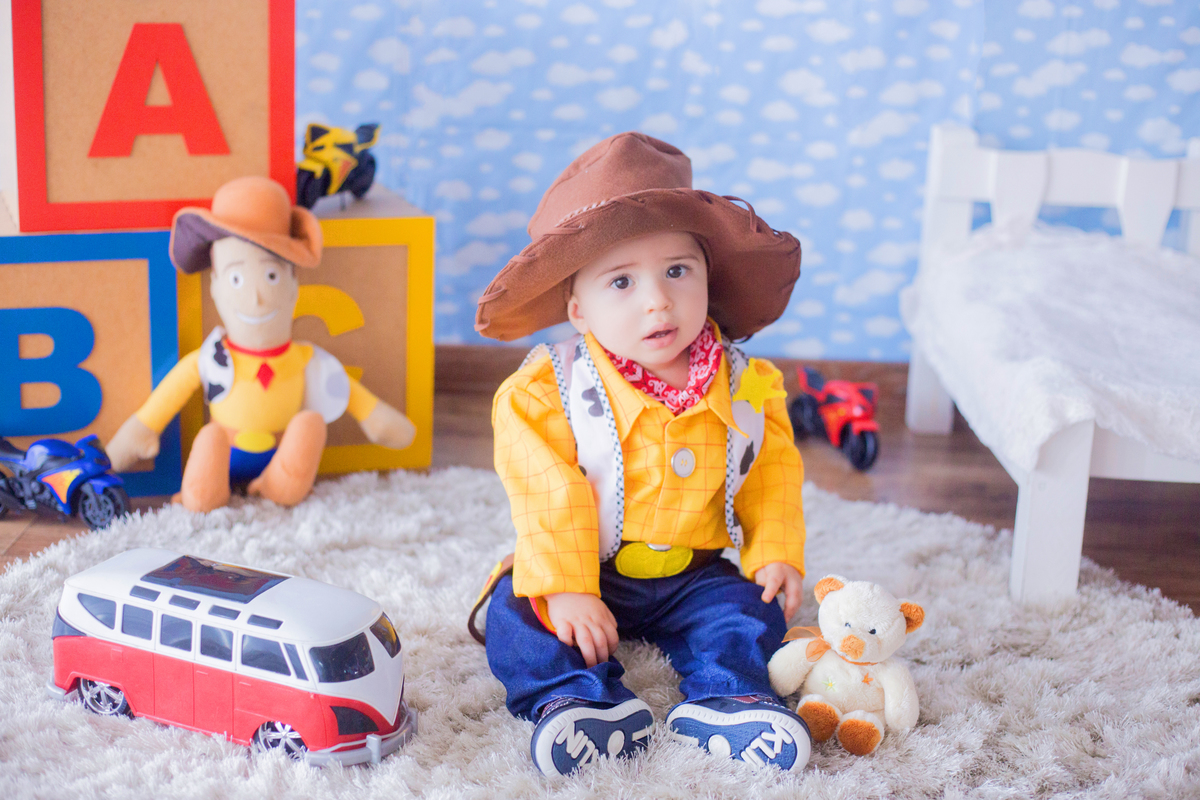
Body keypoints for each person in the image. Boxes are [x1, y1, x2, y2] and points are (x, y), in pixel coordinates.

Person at [471, 132, 811, 776]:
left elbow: (772, 474)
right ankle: (576, 702)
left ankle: (730, 698)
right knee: (517, 610)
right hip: (589, 561)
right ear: (578, 309)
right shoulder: (547, 391)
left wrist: (774, 555)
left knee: (748, 615)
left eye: (677, 271)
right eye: (621, 281)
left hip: (694, 570)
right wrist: (568, 588)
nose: (657, 300)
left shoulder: (748, 384)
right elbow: (548, 491)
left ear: (709, 275)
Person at [105, 176, 415, 512]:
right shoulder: (210, 358)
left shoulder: (305, 359)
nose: (255, 297)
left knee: (309, 425)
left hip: (282, 451)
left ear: (293, 284)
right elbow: (166, 399)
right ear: (216, 287)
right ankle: (204, 495)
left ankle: (279, 485)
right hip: (226, 448)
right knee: (209, 440)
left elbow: (354, 397)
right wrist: (140, 431)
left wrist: (376, 419)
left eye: (271, 276)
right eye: (236, 279)